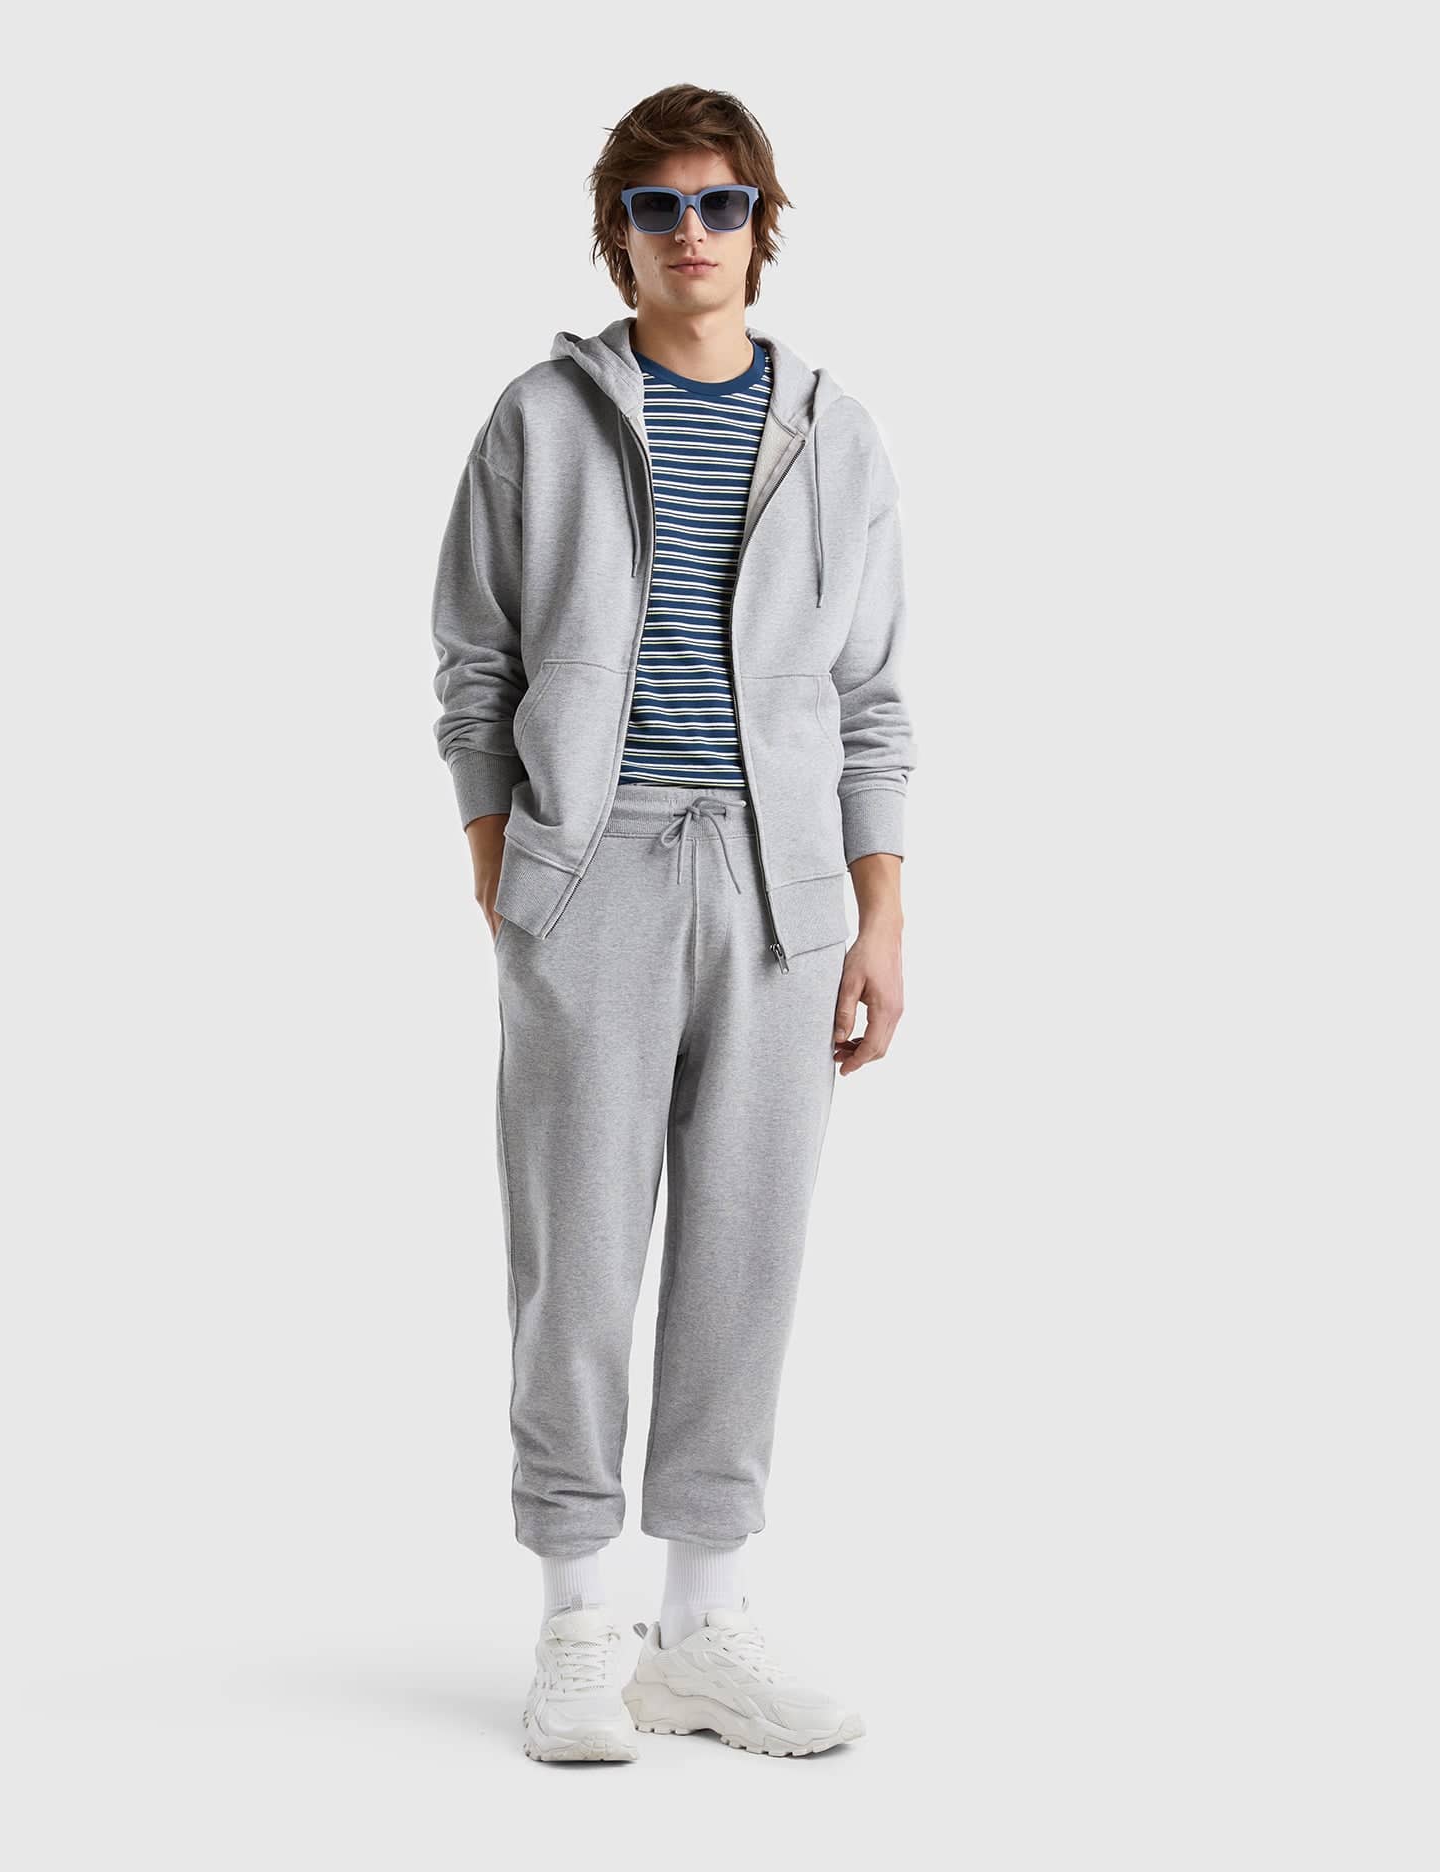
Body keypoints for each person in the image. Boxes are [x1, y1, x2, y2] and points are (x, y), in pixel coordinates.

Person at [429, 83, 917, 1764]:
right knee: (573, 1250)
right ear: (618, 234)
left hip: (784, 890)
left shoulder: (836, 435)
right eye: (657, 207)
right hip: (595, 870)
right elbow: (476, 665)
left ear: (760, 228)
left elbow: (871, 700)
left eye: (719, 204)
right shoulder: (540, 420)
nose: (690, 233)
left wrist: (879, 913)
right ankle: (581, 1618)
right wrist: (509, 862)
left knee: (746, 1247)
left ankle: (704, 1624)